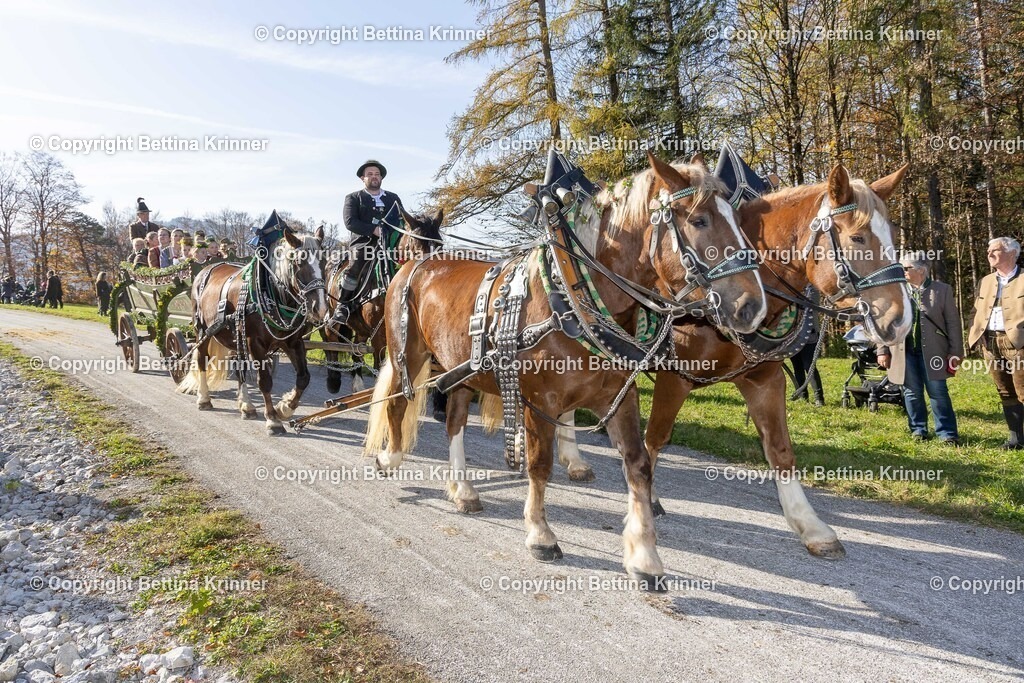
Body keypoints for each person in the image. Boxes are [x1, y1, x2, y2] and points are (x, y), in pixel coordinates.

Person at [878, 253, 963, 444]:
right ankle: (918, 430)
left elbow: (953, 324)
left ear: (921, 270)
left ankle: (947, 434)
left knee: (938, 392)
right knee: (911, 392)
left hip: (935, 352)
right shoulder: (895, 291)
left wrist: (955, 352)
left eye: (905, 268)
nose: (902, 272)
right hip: (903, 351)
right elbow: (884, 323)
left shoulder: (943, 290)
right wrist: (882, 350)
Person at [968, 237, 1024, 450]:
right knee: (1004, 391)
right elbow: (975, 311)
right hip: (991, 343)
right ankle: (1016, 439)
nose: (989, 254)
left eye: (995, 250)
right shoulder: (986, 280)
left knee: (1023, 390)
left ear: (1011, 253)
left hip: (1018, 343)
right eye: (988, 250)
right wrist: (975, 333)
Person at [336, 159, 404, 323]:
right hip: (364, 244)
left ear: (381, 178)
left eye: (377, 174)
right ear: (362, 178)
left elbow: (402, 220)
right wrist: (373, 230)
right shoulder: (353, 198)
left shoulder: (393, 198)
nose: (374, 177)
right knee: (356, 264)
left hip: (391, 244)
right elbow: (350, 222)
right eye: (370, 174)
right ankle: (342, 305)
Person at [789, 319, 824, 407]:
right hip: (792, 337)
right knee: (797, 367)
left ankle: (819, 398)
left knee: (809, 367)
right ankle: (802, 396)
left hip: (809, 336)